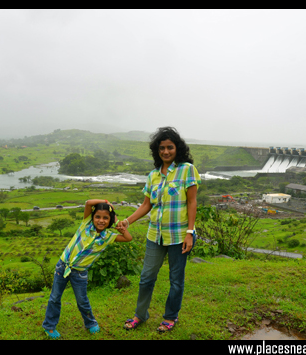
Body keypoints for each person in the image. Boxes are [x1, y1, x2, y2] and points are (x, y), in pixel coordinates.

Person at [118, 126, 200, 333]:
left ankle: (170, 317)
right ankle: (140, 315)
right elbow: (147, 205)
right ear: (157, 150)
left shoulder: (187, 170)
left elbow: (192, 202)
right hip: (155, 235)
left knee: (176, 280)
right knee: (146, 277)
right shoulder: (153, 175)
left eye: (170, 147)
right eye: (161, 148)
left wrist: (190, 233)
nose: (166, 152)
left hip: (180, 235)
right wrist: (128, 221)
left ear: (177, 148)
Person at [42, 199, 132, 339]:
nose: (101, 220)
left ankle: (90, 323)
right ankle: (49, 326)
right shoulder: (86, 224)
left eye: (105, 218)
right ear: (92, 217)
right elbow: (89, 203)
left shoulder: (108, 236)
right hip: (63, 266)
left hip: (80, 273)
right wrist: (105, 202)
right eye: (97, 217)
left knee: (82, 300)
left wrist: (118, 223)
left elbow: (128, 238)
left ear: (110, 220)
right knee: (54, 298)